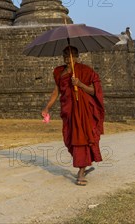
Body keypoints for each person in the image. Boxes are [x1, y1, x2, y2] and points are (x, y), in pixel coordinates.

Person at [42, 46, 105, 186]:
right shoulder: (59, 72)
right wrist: (47, 108)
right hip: (69, 111)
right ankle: (82, 164)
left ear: (77, 56)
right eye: (65, 54)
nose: (67, 57)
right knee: (69, 139)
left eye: (70, 55)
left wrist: (80, 84)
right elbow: (56, 92)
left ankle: (81, 172)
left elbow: (95, 91)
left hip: (83, 111)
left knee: (81, 138)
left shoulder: (85, 71)